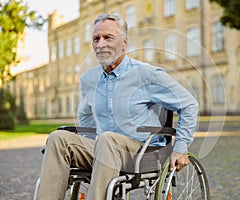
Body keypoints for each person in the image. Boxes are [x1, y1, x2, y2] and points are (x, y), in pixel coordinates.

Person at [35, 14, 199, 200]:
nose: (100, 44)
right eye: (96, 39)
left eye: (108, 38)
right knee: (58, 138)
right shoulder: (89, 80)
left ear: (124, 43)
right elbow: (86, 117)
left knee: (107, 140)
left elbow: (189, 104)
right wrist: (85, 147)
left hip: (141, 151)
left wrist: (180, 148)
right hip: (103, 148)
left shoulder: (146, 74)